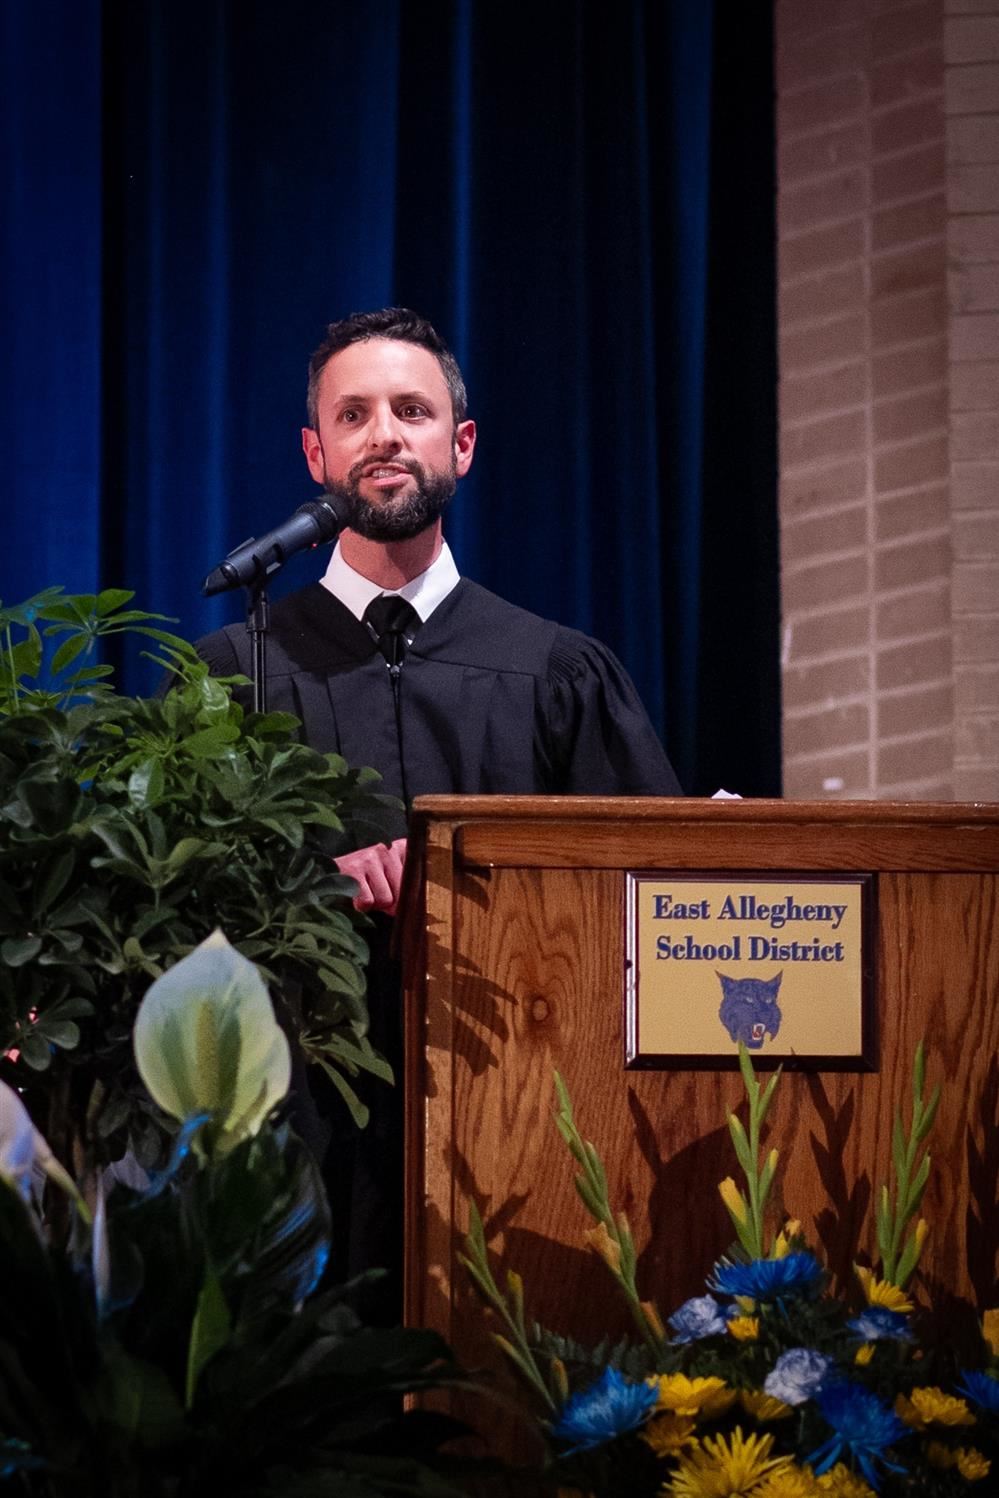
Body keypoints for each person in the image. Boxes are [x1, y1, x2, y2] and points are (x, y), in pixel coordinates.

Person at [197, 308, 682, 1308]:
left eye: (412, 410)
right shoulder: (231, 674)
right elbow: (164, 907)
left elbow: (648, 897)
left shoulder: (555, 670)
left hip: (520, 1114)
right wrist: (304, 889)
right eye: (356, 413)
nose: (385, 434)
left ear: (459, 443)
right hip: (292, 1125)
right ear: (315, 449)